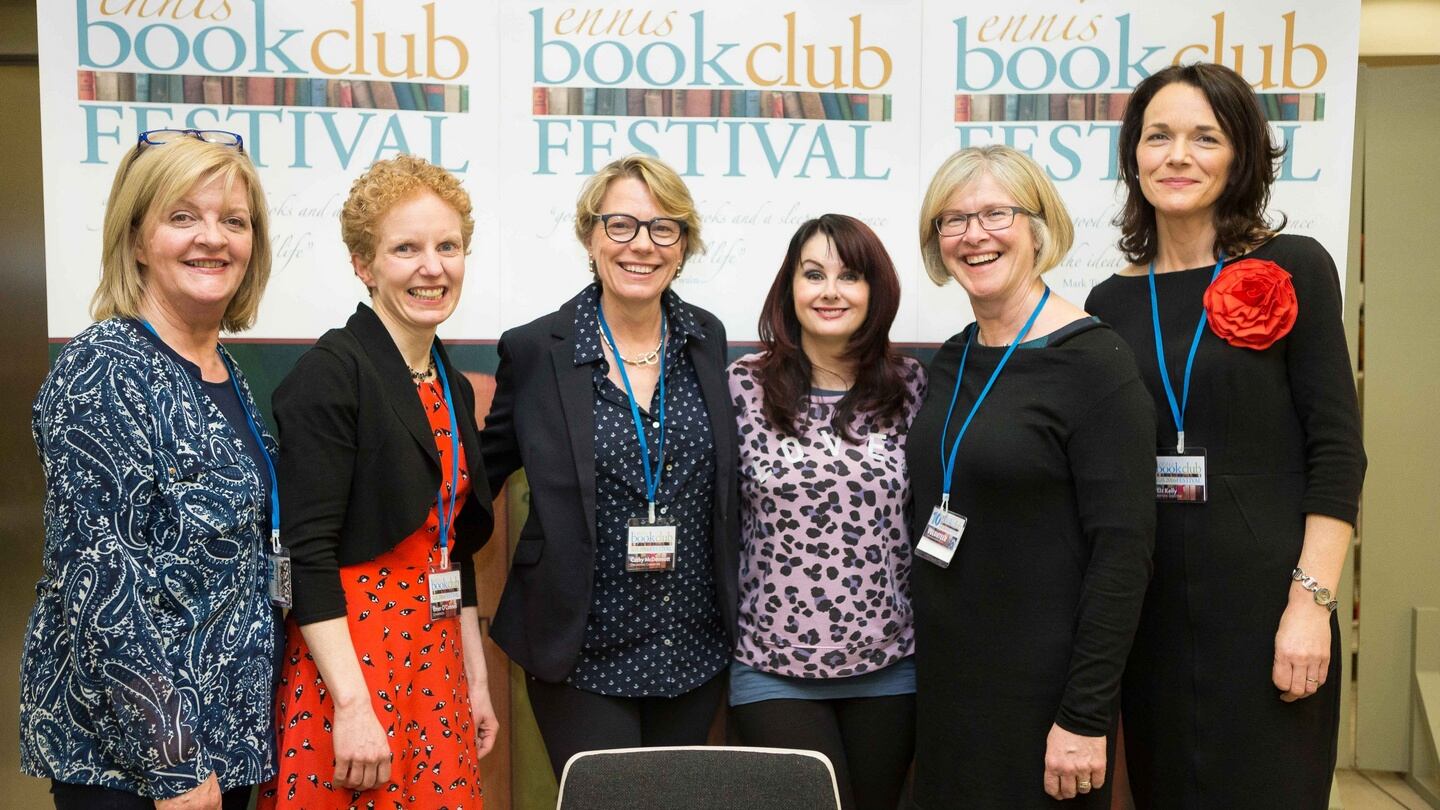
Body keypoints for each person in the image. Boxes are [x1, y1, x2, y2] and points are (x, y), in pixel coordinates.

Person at [1085, 62, 1366, 809]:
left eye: (1204, 137)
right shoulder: (1107, 302)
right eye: (1158, 137)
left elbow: (1338, 450)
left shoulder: (1293, 265)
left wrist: (1311, 605)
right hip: (1152, 622)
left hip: (1270, 608)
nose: (1178, 156)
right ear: (1134, 155)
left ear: (1239, 153)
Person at [20, 130, 279, 810]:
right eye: (183, 216)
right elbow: (101, 590)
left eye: (234, 221)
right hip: (139, 770)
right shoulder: (103, 371)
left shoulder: (220, 369)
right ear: (136, 239)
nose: (213, 238)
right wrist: (176, 767)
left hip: (226, 747)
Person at [906, 145, 1156, 808]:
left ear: (1039, 228)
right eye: (954, 220)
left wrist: (1085, 716)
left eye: (996, 213)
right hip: (949, 689)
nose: (974, 234)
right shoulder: (953, 359)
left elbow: (1123, 554)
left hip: (1045, 700)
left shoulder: (1096, 362)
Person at [480, 154, 737, 777]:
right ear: (590, 235)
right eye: (620, 224)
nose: (641, 245)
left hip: (691, 645)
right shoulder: (536, 349)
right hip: (580, 650)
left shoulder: (706, 338)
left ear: (683, 245)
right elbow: (479, 480)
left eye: (663, 228)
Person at [257, 155, 498, 809]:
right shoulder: (331, 373)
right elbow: (306, 553)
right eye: (406, 249)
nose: (433, 267)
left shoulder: (447, 378)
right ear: (363, 264)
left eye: (448, 246)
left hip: (435, 660)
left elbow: (452, 544)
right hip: (353, 667)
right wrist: (352, 706)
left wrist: (476, 680)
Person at [726, 214, 923, 810]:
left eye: (850, 276)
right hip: (771, 666)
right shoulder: (742, 386)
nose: (830, 291)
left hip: (889, 665)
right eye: (813, 274)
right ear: (790, 287)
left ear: (875, 290)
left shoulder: (910, 386)